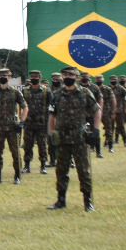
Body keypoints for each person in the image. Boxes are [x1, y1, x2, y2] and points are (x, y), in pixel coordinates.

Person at [47, 67, 100, 211]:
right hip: (62, 138)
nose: (67, 77)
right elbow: (52, 116)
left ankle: (87, 201)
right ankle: (61, 200)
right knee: (61, 170)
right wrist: (50, 135)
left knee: (83, 170)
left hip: (79, 138)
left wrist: (96, 130)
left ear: (77, 78)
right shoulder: (57, 95)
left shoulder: (84, 93)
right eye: (65, 75)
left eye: (70, 75)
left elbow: (97, 110)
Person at [0, 68, 27, 185]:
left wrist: (22, 122)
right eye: (1, 76)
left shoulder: (15, 92)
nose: (3, 77)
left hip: (12, 127)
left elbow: (25, 107)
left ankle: (17, 176)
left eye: (5, 75)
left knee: (15, 152)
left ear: (10, 77)